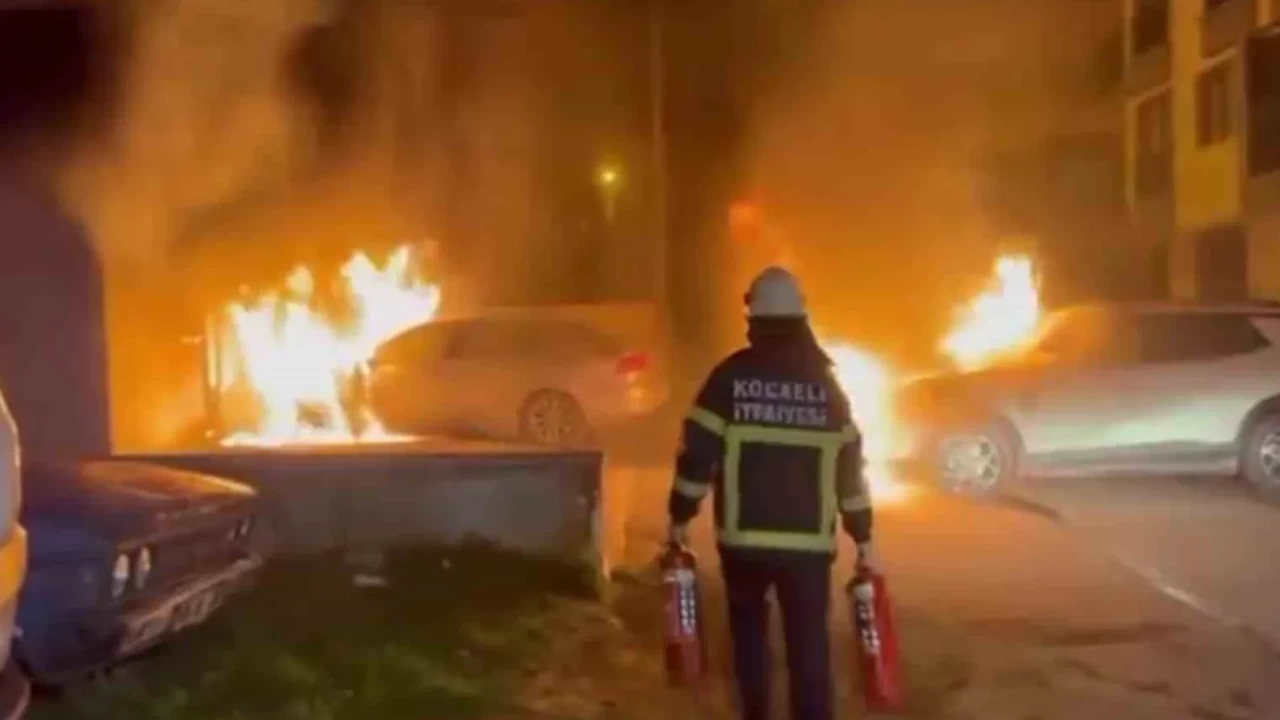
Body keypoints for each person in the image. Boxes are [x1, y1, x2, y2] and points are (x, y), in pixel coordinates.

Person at [667, 266, 874, 720]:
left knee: (749, 643)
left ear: (755, 319)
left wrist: (679, 516)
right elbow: (850, 474)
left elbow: (697, 456)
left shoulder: (729, 378)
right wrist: (863, 538)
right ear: (801, 319)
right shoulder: (827, 388)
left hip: (745, 543)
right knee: (809, 649)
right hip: (809, 548)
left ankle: (757, 713)